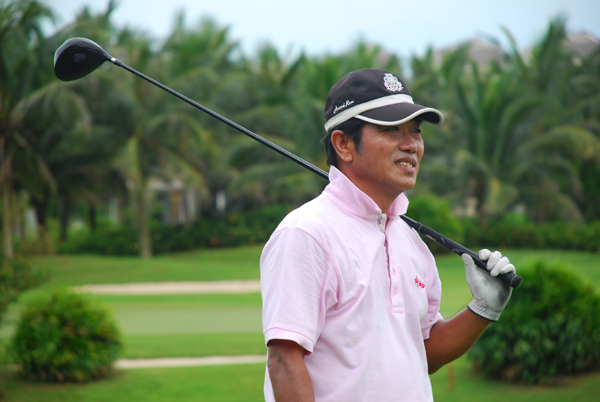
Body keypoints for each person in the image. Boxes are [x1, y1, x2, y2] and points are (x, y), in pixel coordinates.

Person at [260, 68, 516, 402]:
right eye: (391, 129)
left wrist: (483, 310)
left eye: (415, 131)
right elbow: (284, 360)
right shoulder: (306, 234)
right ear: (343, 144)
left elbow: (424, 352)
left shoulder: (410, 240)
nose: (411, 145)